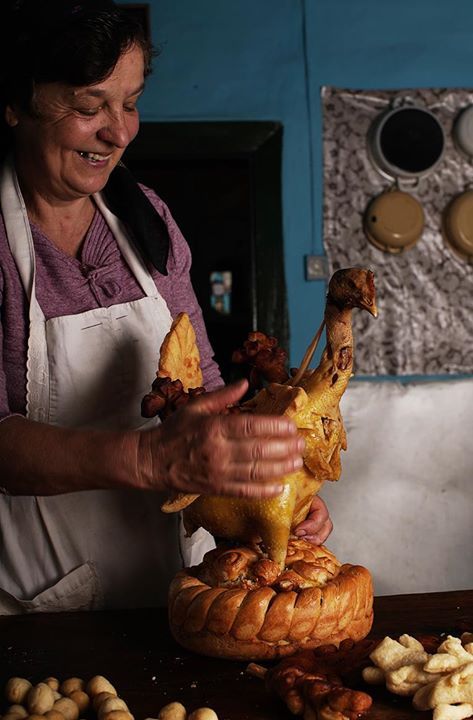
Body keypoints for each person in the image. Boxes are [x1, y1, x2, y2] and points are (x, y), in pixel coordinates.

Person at [0, 0, 332, 613]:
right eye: (88, 105)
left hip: (163, 601)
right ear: (14, 102)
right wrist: (146, 458)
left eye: (129, 103)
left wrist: (262, 492)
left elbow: (201, 390)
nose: (119, 132)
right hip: (29, 613)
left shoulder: (145, 220)